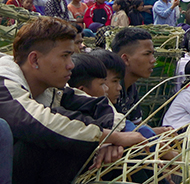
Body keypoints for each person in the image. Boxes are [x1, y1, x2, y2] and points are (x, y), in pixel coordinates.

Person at [0, 17, 145, 184]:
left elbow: (101, 105)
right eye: (65, 56)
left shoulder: (54, 87)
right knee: (49, 137)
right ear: (34, 60)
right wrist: (108, 137)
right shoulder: (4, 80)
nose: (71, 65)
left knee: (114, 151)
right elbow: (36, 122)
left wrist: (110, 141)